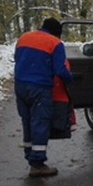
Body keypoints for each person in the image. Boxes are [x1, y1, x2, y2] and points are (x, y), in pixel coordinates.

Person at [14, 17, 73, 177]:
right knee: (40, 123)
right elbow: (60, 70)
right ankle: (38, 164)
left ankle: (30, 157)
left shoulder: (24, 38)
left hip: (20, 86)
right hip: (40, 88)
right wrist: (71, 80)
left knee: (27, 122)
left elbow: (18, 59)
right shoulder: (55, 43)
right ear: (57, 33)